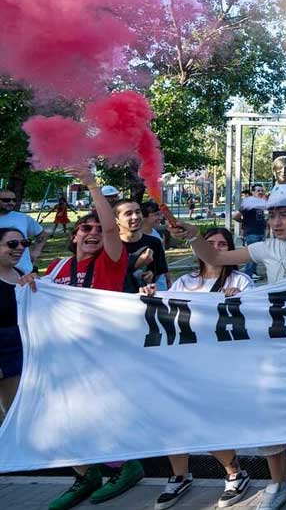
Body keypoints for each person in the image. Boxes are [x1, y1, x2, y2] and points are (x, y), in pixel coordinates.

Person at [171, 184, 286, 510]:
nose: (276, 222)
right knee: (271, 415)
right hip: (272, 345)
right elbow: (215, 257)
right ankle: (278, 483)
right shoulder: (264, 248)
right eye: (272, 215)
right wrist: (194, 235)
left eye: (284, 214)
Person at [41, 167, 142, 510]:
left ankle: (125, 465)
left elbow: (112, 228)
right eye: (86, 228)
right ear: (74, 236)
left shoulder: (111, 261)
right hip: (64, 355)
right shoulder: (56, 267)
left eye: (99, 229)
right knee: (65, 416)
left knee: (103, 412)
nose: (94, 233)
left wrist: (91, 184)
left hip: (103, 353)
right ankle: (86, 475)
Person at [139, 227, 253, 509]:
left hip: (219, 365)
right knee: (173, 416)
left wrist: (238, 300)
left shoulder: (241, 281)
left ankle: (235, 472)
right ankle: (179, 475)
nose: (215, 248)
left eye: (222, 244)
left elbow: (253, 318)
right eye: (209, 242)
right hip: (184, 362)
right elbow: (165, 311)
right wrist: (151, 295)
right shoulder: (185, 282)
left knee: (206, 419)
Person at [0, 228, 32, 422]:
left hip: (19, 349)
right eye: (12, 244)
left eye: (24, 243)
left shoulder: (21, 274)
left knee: (15, 411)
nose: (20, 248)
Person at [113, 198, 171, 292]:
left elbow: (159, 272)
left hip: (146, 298)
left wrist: (151, 275)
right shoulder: (110, 245)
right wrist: (135, 265)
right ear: (116, 220)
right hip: (119, 297)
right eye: (128, 214)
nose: (135, 217)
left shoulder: (154, 242)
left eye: (138, 212)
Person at [0, 188, 46, 275]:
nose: (11, 203)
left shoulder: (22, 218)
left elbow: (42, 234)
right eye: (6, 200)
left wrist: (36, 251)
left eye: (14, 200)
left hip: (23, 271)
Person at [235, 184, 268, 278]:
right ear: (253, 192)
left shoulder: (260, 204)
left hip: (260, 232)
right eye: (258, 191)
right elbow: (236, 216)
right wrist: (245, 222)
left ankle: (253, 273)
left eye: (262, 190)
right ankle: (247, 275)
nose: (261, 192)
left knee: (257, 255)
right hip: (252, 233)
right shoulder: (247, 203)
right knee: (253, 255)